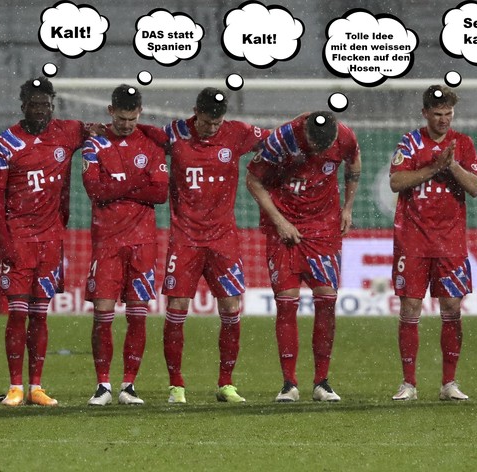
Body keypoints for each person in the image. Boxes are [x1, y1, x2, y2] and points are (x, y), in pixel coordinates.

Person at [137, 88, 268, 403]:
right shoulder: (176, 133)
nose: (212, 128)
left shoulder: (237, 132)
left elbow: (273, 141)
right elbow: (142, 135)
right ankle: (176, 386)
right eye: (207, 121)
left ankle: (226, 383)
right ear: (196, 112)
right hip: (185, 238)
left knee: (231, 308)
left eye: (216, 122)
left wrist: (272, 157)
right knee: (177, 308)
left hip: (223, 239)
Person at [0, 77, 89, 407]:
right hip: (18, 239)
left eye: (46, 105)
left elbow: (104, 131)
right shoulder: (5, 143)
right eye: (35, 105)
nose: (41, 111)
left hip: (50, 241)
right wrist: (5, 243)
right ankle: (15, 386)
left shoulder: (67, 132)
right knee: (18, 314)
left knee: (40, 315)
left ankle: (36, 387)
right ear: (23, 106)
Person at [246, 111, 361, 403]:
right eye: (314, 145)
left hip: (323, 227)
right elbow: (253, 180)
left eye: (325, 147)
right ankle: (289, 384)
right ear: (305, 133)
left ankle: (322, 382)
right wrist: (279, 221)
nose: (319, 151)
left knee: (327, 301)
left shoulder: (345, 136)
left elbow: (354, 163)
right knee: (286, 303)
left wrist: (348, 207)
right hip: (284, 226)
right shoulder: (281, 139)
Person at [388, 85, 477, 402]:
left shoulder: (463, 144)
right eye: (438, 113)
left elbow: (476, 187)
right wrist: (434, 167)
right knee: (410, 307)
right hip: (413, 239)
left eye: (448, 113)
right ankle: (409, 383)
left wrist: (452, 165)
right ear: (425, 113)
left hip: (450, 242)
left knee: (452, 307)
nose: (444, 119)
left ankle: (449, 383)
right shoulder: (410, 142)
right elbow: (396, 181)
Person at [82, 84, 168, 406]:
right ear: (110, 111)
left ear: (140, 113)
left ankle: (129, 385)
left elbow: (160, 194)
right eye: (121, 119)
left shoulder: (151, 145)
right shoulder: (95, 144)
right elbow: (95, 191)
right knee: (102, 314)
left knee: (137, 316)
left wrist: (116, 184)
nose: (127, 125)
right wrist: (138, 182)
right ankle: (103, 385)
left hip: (143, 243)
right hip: (106, 242)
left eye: (132, 119)